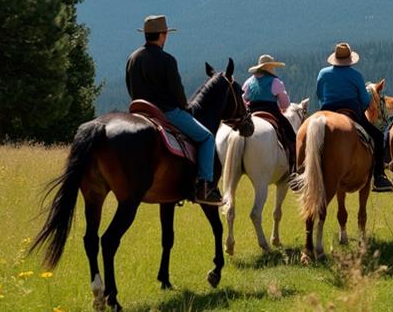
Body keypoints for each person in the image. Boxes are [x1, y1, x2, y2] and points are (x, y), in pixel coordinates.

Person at [125, 15, 223, 205]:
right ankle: (204, 186)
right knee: (206, 138)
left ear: (146, 34)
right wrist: (185, 108)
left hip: (138, 110)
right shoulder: (167, 60)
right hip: (166, 112)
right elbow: (177, 92)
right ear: (163, 35)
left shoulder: (132, 58)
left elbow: (130, 86)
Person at [297, 42, 393, 193]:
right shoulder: (356, 75)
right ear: (350, 59)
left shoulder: (323, 73)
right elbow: (365, 100)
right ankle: (379, 176)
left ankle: (298, 173)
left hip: (327, 110)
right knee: (379, 136)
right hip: (352, 113)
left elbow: (319, 94)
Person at [243, 54, 297, 173]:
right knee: (291, 134)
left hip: (251, 111)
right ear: (269, 68)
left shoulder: (249, 81)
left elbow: (243, 99)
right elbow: (285, 105)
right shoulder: (275, 82)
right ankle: (295, 163)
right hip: (270, 110)